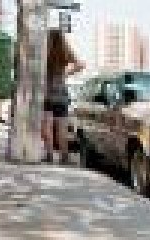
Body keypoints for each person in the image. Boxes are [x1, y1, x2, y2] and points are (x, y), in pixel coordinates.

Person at [42, 29, 84, 164]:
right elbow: (80, 65)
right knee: (62, 127)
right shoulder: (64, 51)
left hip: (47, 93)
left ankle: (49, 155)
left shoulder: (44, 51)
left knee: (47, 126)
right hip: (61, 93)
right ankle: (64, 156)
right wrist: (65, 74)